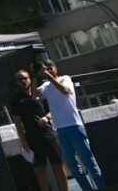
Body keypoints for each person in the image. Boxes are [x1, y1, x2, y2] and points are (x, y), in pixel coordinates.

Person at [38, 59, 105, 190]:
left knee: (89, 162)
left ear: (55, 68)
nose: (48, 70)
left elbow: (65, 90)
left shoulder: (65, 79)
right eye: (45, 68)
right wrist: (35, 75)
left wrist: (49, 76)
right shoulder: (45, 86)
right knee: (73, 167)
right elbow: (33, 96)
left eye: (50, 67)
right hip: (60, 130)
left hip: (74, 125)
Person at [10, 69, 68, 191]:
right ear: (16, 83)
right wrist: (23, 140)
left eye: (25, 78)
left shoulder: (41, 94)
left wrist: (46, 117)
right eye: (19, 79)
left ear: (30, 79)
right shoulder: (15, 100)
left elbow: (53, 109)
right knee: (39, 170)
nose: (23, 81)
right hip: (32, 138)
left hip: (49, 135)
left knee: (58, 166)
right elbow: (17, 123)